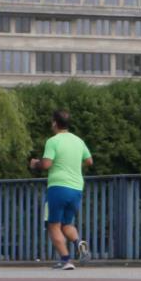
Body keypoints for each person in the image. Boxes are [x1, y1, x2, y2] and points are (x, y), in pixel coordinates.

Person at [28, 110, 93, 270]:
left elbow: (46, 165)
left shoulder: (53, 141)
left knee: (53, 225)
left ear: (55, 123)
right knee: (66, 224)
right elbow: (89, 161)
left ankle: (66, 260)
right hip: (76, 187)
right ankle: (79, 243)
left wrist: (35, 163)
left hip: (58, 187)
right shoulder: (78, 141)